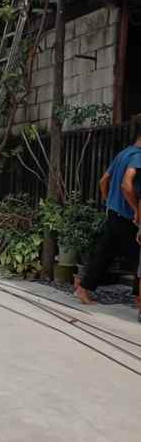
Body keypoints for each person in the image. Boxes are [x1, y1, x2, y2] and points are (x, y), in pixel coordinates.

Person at [76, 115, 141, 306]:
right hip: (128, 218)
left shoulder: (123, 154)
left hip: (113, 213)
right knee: (138, 259)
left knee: (104, 254)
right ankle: (139, 300)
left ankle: (83, 289)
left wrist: (108, 200)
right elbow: (126, 185)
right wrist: (136, 209)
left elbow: (103, 180)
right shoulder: (138, 157)